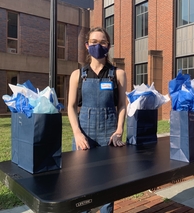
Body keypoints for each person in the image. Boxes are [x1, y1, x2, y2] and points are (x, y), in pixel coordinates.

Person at [67, 27, 127, 213]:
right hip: (84, 132)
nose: (97, 45)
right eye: (93, 42)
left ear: (108, 46)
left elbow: (122, 105)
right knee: (81, 183)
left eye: (102, 42)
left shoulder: (118, 74)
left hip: (109, 134)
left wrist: (118, 132)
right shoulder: (78, 75)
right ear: (87, 46)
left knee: (108, 183)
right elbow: (70, 107)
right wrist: (77, 134)